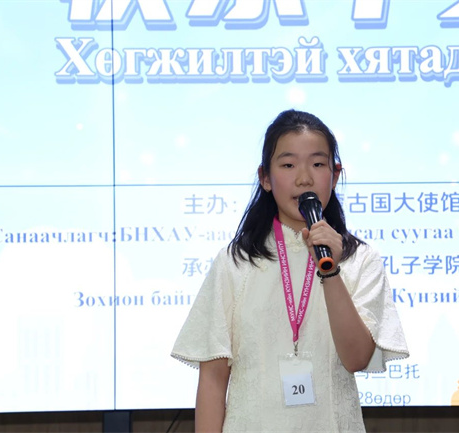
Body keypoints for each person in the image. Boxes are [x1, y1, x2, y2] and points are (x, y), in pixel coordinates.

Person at [171, 109, 409, 432]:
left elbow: (356, 358)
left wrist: (331, 272)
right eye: (288, 165)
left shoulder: (361, 260)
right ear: (265, 178)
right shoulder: (236, 262)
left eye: (318, 164)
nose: (304, 178)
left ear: (335, 175)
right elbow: (213, 379)